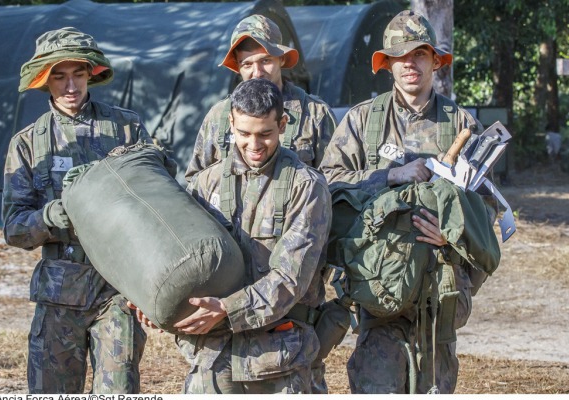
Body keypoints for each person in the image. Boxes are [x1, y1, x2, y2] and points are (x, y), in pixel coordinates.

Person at [319, 10, 494, 394]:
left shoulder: (462, 125)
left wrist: (452, 237)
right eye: (400, 56)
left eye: (419, 54)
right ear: (387, 65)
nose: (410, 64)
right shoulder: (362, 122)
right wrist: (388, 176)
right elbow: (326, 186)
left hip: (439, 292)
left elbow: (486, 211)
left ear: (435, 61)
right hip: (380, 290)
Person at [2, 27, 149, 394]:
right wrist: (47, 218)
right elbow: (14, 229)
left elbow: (157, 200)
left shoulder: (126, 129)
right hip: (58, 298)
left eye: (79, 75)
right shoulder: (27, 144)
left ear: (91, 75)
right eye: (60, 76)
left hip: (115, 290)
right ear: (44, 80)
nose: (71, 87)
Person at [167, 78, 331, 394]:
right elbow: (182, 257)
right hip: (214, 358)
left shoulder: (306, 187)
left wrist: (228, 308)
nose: (253, 145)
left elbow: (289, 279)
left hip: (280, 358)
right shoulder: (205, 184)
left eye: (265, 134)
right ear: (230, 122)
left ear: (282, 124)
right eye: (243, 134)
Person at [185, 14, 337, 182]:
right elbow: (196, 181)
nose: (257, 73)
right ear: (238, 67)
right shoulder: (218, 116)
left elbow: (333, 180)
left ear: (281, 59)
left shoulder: (314, 114)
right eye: (247, 64)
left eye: (265, 61)